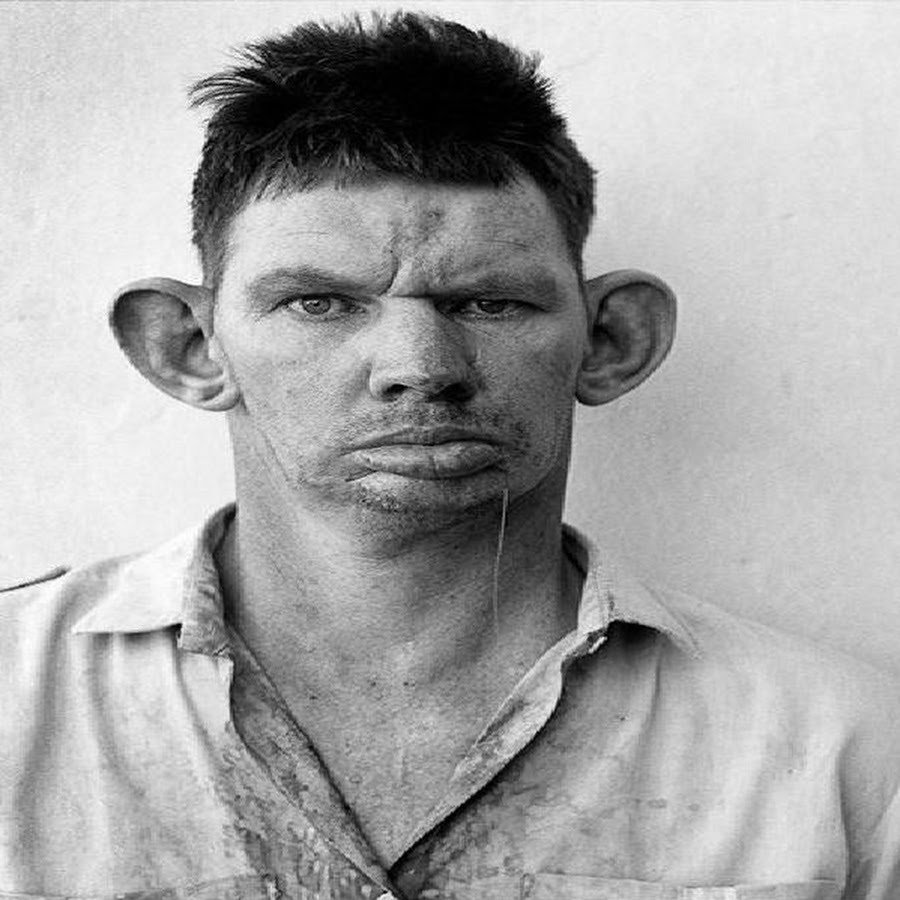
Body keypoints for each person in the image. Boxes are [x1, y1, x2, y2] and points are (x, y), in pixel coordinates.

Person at [1, 12, 898, 900]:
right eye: (320, 302)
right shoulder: (13, 701)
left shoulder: (844, 755)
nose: (420, 368)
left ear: (611, 341)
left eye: (490, 302)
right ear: (191, 349)